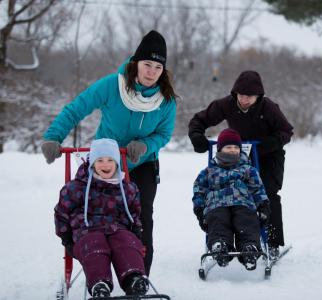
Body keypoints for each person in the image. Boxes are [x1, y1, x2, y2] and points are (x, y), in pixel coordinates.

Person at [41, 30, 177, 275]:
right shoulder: (112, 85)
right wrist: (53, 136)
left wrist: (146, 145)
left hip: (141, 163)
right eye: (147, 64)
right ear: (136, 63)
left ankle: (138, 277)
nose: (151, 72)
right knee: (97, 216)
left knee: (141, 219)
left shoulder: (166, 100)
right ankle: (97, 266)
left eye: (158, 67)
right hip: (105, 162)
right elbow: (75, 109)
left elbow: (164, 134)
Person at [188, 70, 293, 259]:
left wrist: (271, 142)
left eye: (250, 96)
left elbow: (286, 131)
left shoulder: (268, 107)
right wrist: (197, 136)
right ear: (235, 93)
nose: (244, 99)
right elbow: (199, 120)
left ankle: (272, 242)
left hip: (268, 154)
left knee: (267, 194)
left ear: (258, 96)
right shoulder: (226, 105)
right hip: (237, 155)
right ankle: (227, 239)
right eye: (241, 95)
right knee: (231, 194)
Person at [54, 139, 148, 297]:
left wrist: (136, 229)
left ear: (117, 163)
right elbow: (62, 213)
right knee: (94, 244)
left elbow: (134, 212)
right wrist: (67, 239)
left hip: (118, 229)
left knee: (126, 242)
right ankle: (100, 283)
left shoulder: (127, 189)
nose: (106, 165)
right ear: (91, 163)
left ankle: (133, 278)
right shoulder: (76, 188)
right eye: (100, 160)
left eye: (110, 160)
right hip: (86, 232)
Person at [192, 128, 271, 270]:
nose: (233, 150)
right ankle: (220, 246)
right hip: (216, 205)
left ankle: (249, 248)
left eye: (236, 147)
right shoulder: (208, 172)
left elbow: (258, 189)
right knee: (218, 221)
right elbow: (199, 191)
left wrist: (263, 205)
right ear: (220, 149)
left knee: (246, 220)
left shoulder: (248, 170)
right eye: (229, 147)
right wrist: (199, 209)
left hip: (243, 202)